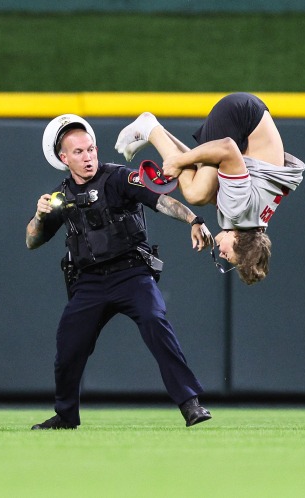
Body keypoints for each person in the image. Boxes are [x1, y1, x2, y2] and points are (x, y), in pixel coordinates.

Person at [26, 114, 214, 430]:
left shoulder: (117, 178)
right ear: (64, 158)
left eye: (91, 149)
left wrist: (194, 220)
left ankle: (190, 404)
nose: (88, 157)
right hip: (89, 283)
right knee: (68, 345)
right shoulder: (60, 198)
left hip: (131, 275)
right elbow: (32, 241)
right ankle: (66, 415)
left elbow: (161, 201)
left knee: (156, 322)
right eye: (78, 152)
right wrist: (39, 216)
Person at [115, 92, 305, 285]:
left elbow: (212, 165)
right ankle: (150, 129)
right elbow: (227, 148)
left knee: (204, 188)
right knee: (196, 194)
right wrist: (178, 161)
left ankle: (156, 132)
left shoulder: (252, 223)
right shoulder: (238, 212)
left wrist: (194, 220)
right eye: (231, 258)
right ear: (238, 241)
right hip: (241, 117)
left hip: (250, 116)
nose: (222, 255)